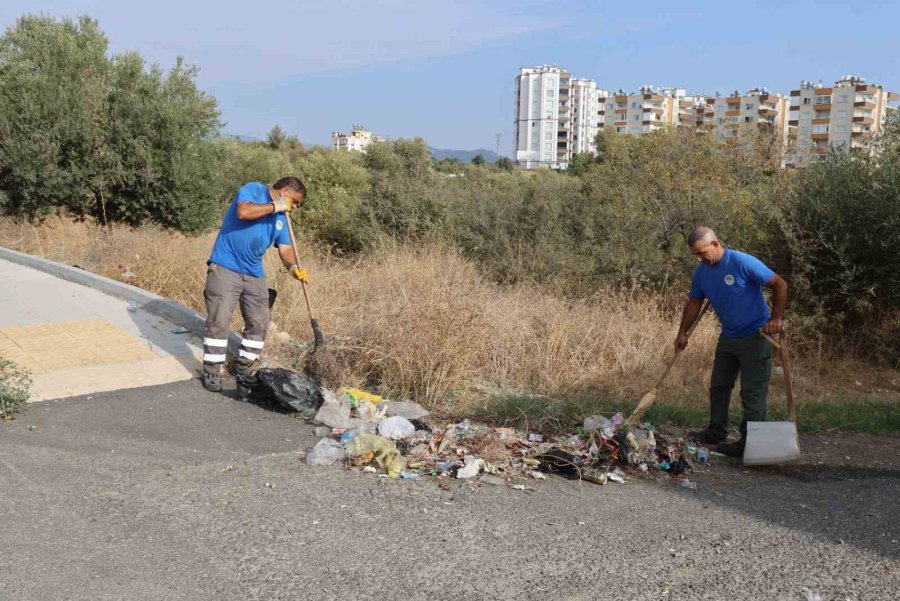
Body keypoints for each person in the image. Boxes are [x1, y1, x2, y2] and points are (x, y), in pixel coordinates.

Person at [676, 226, 788, 457]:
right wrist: (682, 332)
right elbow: (694, 302)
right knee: (718, 386)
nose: (699, 258)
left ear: (715, 244)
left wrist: (776, 318)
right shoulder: (702, 272)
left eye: (702, 253)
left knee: (752, 393)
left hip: (756, 336)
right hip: (728, 336)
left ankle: (749, 443)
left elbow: (780, 284)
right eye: (695, 255)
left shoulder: (742, 262)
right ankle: (716, 431)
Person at [201, 177, 309, 396]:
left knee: (260, 321)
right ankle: (212, 370)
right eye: (295, 202)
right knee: (219, 319)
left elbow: (286, 248)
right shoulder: (253, 190)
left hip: (254, 273)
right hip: (225, 266)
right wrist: (275, 205)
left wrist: (293, 268)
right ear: (285, 191)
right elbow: (243, 212)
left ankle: (244, 367)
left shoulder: (282, 217)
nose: (295, 207)